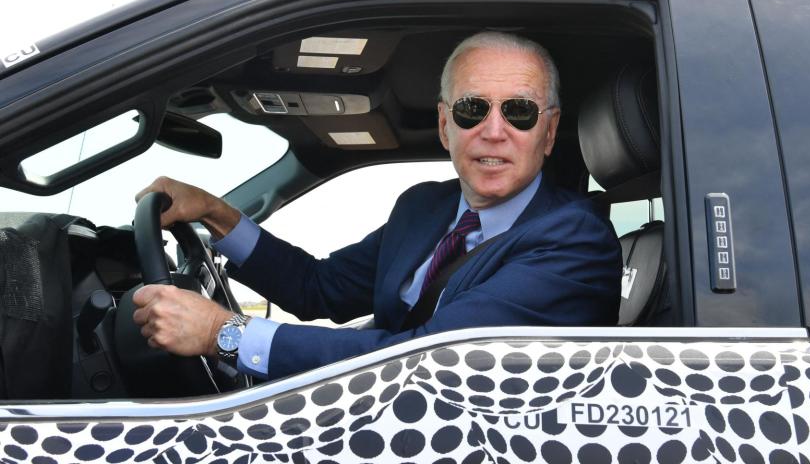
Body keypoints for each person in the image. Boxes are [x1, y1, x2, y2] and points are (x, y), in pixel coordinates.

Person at [132, 31, 621, 379]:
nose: (494, 130)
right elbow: (317, 288)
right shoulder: (424, 208)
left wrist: (225, 333)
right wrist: (215, 211)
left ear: (549, 131)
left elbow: (426, 361)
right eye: (473, 109)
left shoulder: (576, 242)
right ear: (446, 126)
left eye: (519, 111)